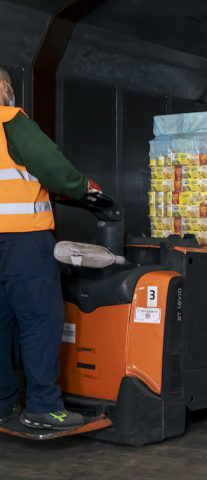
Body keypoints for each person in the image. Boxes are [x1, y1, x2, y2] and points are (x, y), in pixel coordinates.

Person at [0, 67, 101, 430]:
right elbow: (53, 168)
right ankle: (43, 406)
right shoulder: (11, 121)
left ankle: (2, 404)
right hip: (22, 240)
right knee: (40, 320)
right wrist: (79, 187)